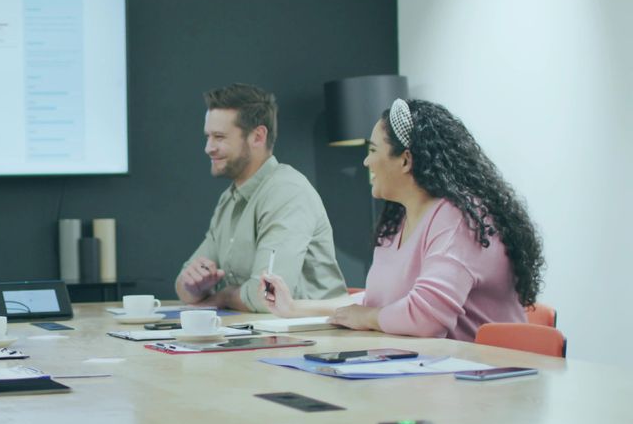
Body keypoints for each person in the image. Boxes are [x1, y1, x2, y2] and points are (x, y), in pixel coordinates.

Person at [261, 99, 544, 341]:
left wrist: (369, 317)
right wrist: (294, 307)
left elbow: (425, 316)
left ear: (406, 160)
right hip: (437, 376)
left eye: (372, 151)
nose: (365, 162)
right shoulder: (399, 220)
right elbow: (378, 302)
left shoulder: (458, 218)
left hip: (485, 384)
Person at [175, 83, 347, 312]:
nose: (208, 148)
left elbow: (268, 296)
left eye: (219, 137)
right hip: (261, 335)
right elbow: (182, 284)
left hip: (314, 340)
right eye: (208, 136)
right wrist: (195, 288)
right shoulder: (229, 199)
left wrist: (224, 296)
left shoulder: (287, 191)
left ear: (257, 136)